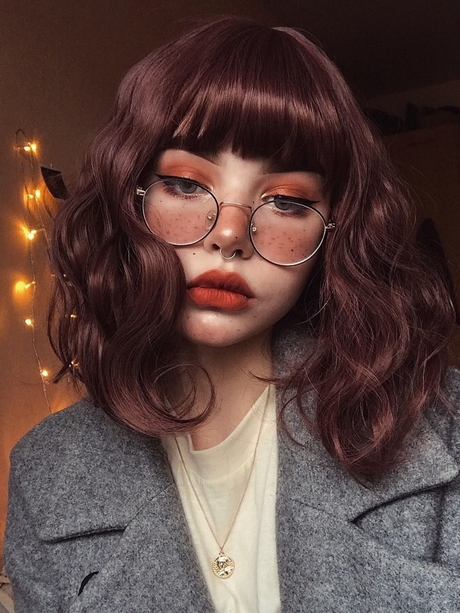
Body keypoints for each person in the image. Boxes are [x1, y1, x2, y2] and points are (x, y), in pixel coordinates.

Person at [5, 16, 460, 613]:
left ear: (335, 232)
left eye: (287, 201)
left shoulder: (444, 423)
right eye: (186, 185)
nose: (229, 234)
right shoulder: (44, 471)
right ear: (129, 201)